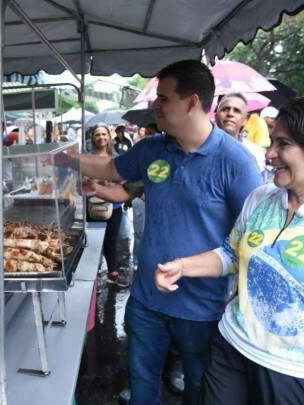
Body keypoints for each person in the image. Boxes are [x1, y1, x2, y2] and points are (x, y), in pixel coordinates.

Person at [72, 59, 262, 405]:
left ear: (192, 102)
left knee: (198, 387)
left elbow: (251, 240)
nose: (155, 105)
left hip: (202, 306)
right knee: (142, 379)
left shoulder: (236, 163)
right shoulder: (152, 149)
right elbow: (112, 168)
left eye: (163, 98)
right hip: (146, 298)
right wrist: (67, 157)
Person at [155, 97, 304, 405]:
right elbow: (231, 254)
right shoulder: (261, 198)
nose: (270, 155)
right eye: (271, 142)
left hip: (297, 370)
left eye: (283, 144)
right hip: (233, 346)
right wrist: (182, 266)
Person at [88, 125, 129, 287]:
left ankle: (112, 272)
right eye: (97, 135)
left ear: (109, 137)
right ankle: (93, 275)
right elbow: (81, 179)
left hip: (114, 206)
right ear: (93, 138)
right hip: (93, 205)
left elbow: (125, 179)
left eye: (104, 134)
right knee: (93, 241)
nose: (101, 137)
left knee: (112, 239)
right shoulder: (88, 158)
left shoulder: (116, 157)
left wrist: (111, 181)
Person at [215, 93, 267, 177]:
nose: (230, 114)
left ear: (245, 120)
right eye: (225, 109)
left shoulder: (255, 152)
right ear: (216, 116)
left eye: (237, 111)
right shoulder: (199, 146)